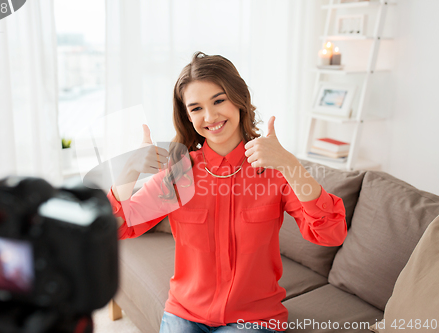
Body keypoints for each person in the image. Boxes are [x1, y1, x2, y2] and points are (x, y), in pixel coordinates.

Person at [107, 51, 347, 333]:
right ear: (187, 116)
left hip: (254, 318)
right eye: (196, 108)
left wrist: (290, 164)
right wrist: (130, 169)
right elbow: (117, 227)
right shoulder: (178, 173)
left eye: (219, 100)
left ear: (239, 99)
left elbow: (330, 232)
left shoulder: (274, 169)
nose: (210, 116)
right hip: (185, 312)